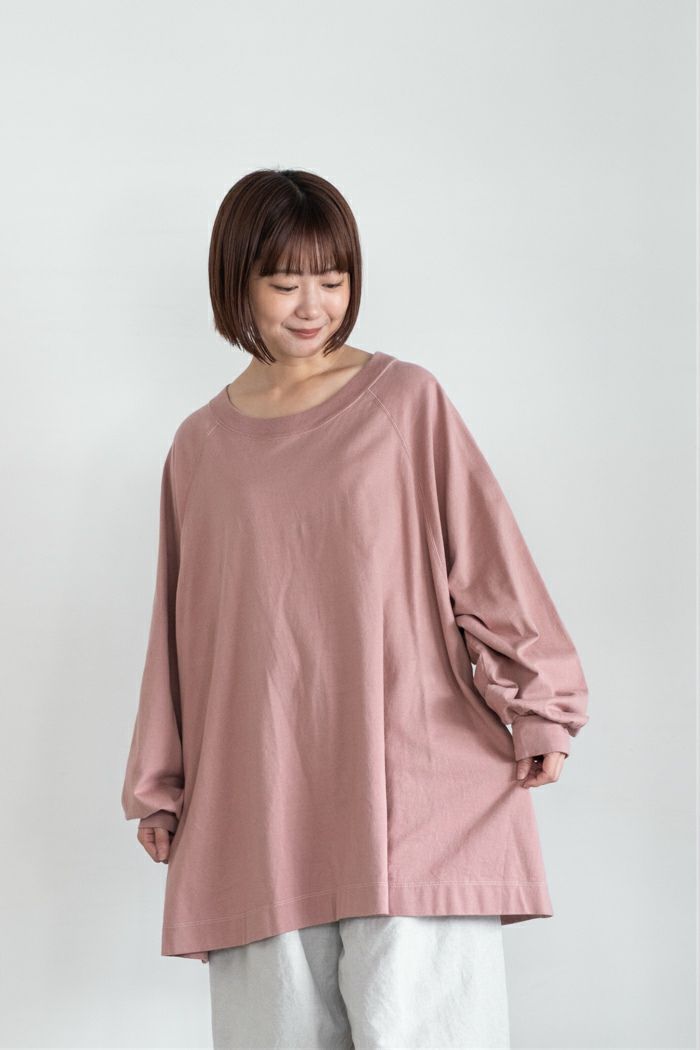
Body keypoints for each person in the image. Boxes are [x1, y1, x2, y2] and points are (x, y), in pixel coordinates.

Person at [121, 167, 590, 1050]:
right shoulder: (198, 449)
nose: (314, 307)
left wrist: (541, 703)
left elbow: (487, 563)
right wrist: (162, 784)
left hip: (414, 789)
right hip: (259, 803)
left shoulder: (405, 401)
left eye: (332, 280)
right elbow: (181, 634)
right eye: (284, 282)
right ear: (235, 283)